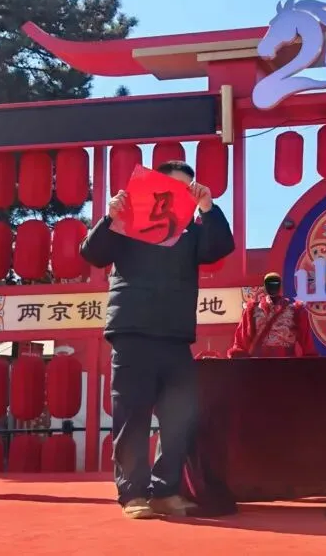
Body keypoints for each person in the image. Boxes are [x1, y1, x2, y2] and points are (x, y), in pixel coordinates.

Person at [80, 160, 235, 520]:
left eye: (188, 189)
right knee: (132, 416)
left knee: (179, 416)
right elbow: (93, 253)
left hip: (175, 334)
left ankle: (165, 492)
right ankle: (132, 494)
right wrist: (110, 216)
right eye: (174, 186)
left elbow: (219, 248)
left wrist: (208, 208)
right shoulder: (128, 220)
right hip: (132, 330)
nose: (181, 194)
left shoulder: (192, 231)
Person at [227, 272, 319, 358]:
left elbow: (307, 341)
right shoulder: (253, 310)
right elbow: (241, 339)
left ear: (280, 286)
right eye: (269, 283)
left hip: (287, 363)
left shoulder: (295, 310)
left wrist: (309, 361)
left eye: (276, 283)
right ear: (264, 286)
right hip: (259, 363)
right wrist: (239, 357)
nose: (272, 286)